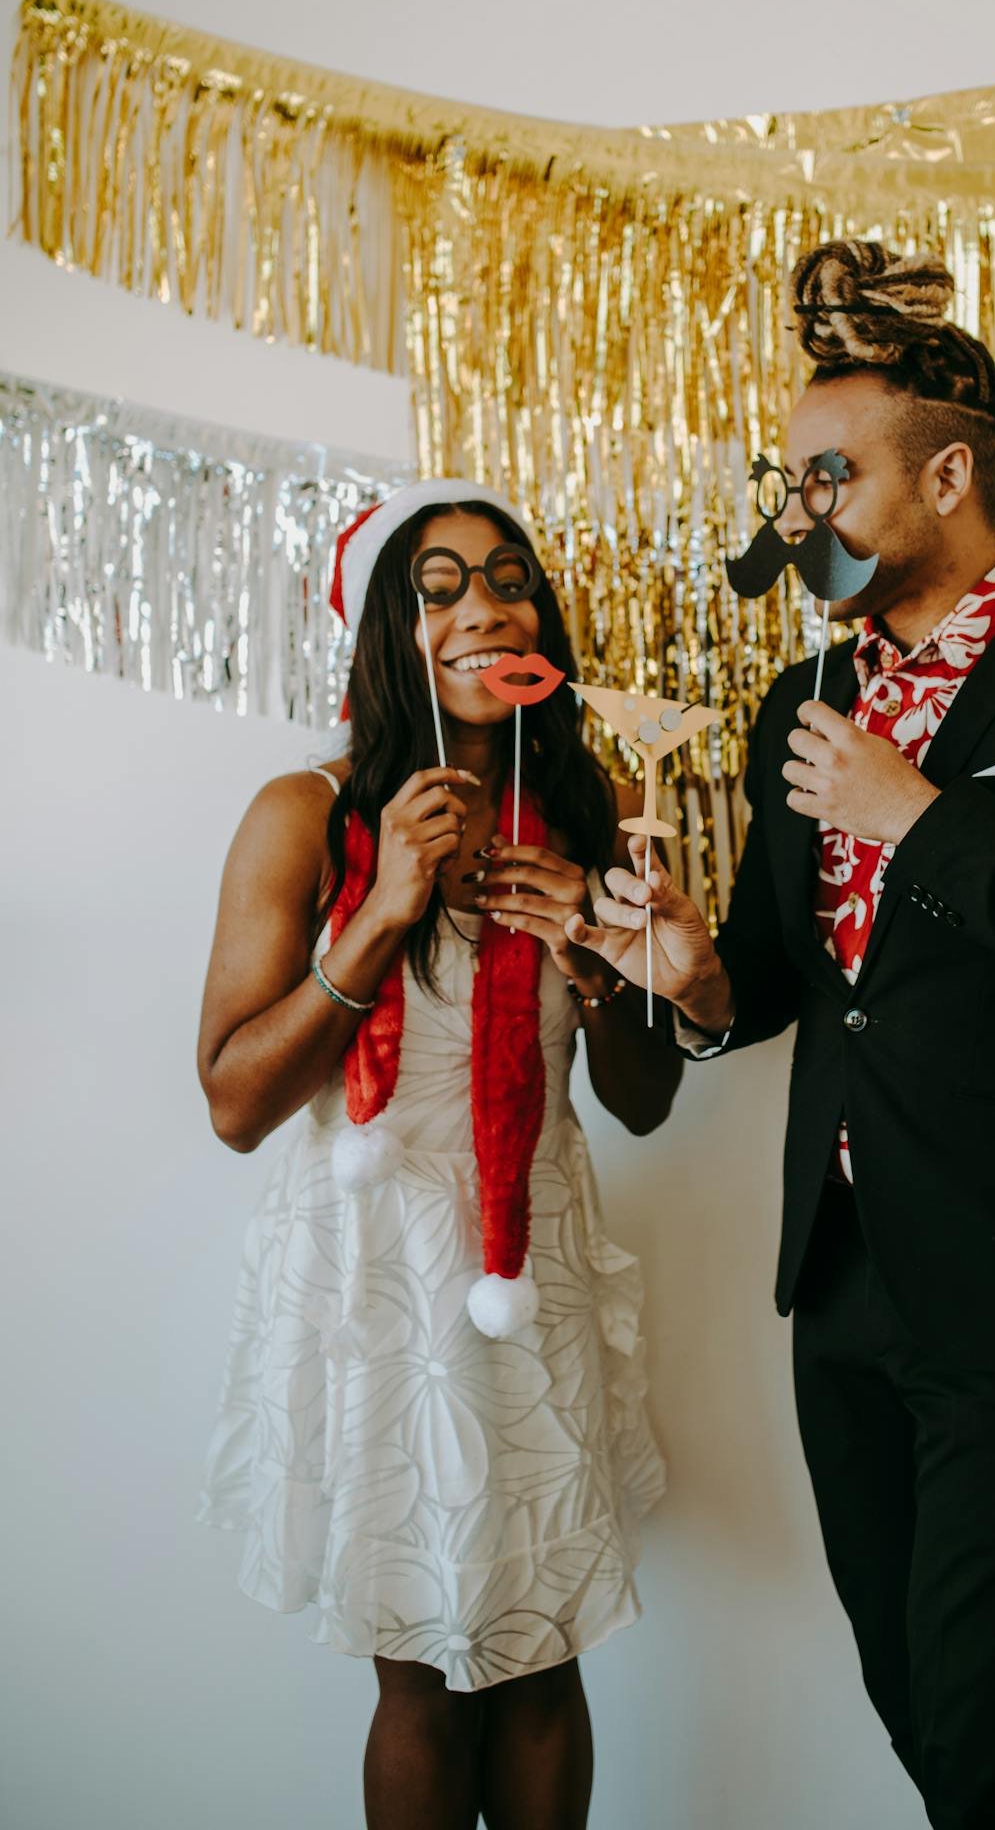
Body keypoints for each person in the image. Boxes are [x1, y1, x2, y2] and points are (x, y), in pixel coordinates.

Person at [568, 240, 995, 1829]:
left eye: (829, 477)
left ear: (948, 474)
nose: (797, 516)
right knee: (921, 1707)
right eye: (788, 484)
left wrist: (920, 819)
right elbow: (784, 983)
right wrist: (691, 977)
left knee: (985, 1723)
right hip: (845, 1285)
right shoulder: (798, 702)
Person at [198, 480, 677, 1830]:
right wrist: (384, 912)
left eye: (508, 580)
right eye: (441, 586)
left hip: (534, 1257)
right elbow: (234, 1100)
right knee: (417, 1673)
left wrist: (596, 946)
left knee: (542, 1662)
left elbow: (641, 1098)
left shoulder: (600, 803)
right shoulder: (306, 810)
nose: (484, 607)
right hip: (374, 1277)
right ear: (386, 632)